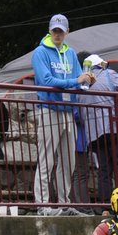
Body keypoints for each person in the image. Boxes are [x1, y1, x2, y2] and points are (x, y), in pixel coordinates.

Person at [30, 13, 88, 215]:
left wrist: (87, 82)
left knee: (68, 161)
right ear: (49, 30)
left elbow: (80, 80)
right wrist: (76, 82)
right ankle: (43, 206)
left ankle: (64, 204)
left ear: (67, 32)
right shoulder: (40, 52)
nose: (57, 34)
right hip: (49, 110)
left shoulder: (71, 53)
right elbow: (46, 81)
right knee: (47, 160)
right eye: (55, 30)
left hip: (68, 112)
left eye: (61, 31)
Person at [79, 54, 118, 206]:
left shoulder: (79, 83)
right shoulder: (108, 74)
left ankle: (105, 205)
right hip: (112, 128)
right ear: (100, 65)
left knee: (104, 170)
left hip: (93, 134)